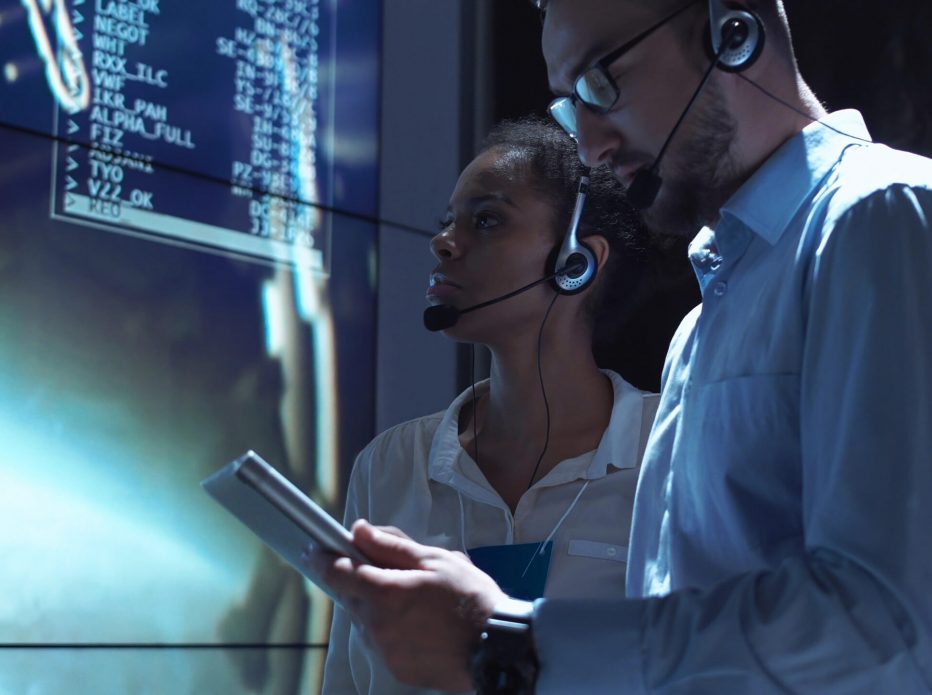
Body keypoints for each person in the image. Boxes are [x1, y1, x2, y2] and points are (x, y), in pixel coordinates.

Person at [315, 1, 932, 692]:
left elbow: (890, 622)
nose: (591, 148)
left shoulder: (882, 215)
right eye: (573, 108)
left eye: (602, 83)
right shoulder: (698, 334)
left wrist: (519, 637)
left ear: (733, 31)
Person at [321, 117, 664, 694]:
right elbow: (346, 684)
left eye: (487, 221)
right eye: (447, 222)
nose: (444, 242)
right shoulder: (390, 464)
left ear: (578, 260)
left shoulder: (674, 450)